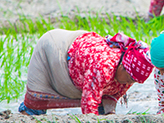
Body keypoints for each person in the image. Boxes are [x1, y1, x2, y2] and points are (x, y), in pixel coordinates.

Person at [20, 29, 152, 115]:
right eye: (129, 78)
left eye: (134, 81)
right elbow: (89, 106)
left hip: (83, 58)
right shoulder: (104, 67)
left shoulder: (131, 73)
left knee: (103, 111)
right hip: (55, 50)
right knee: (35, 107)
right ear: (123, 66)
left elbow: (112, 96)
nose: (129, 83)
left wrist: (110, 116)